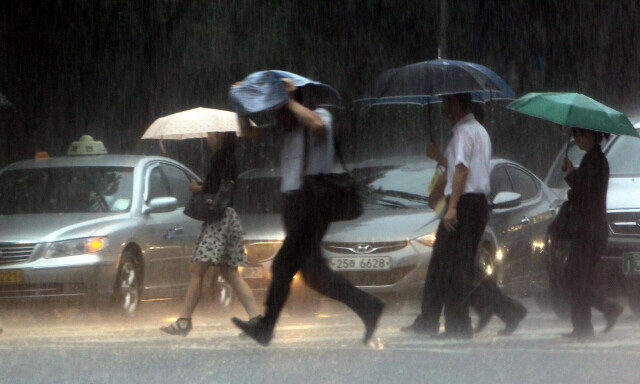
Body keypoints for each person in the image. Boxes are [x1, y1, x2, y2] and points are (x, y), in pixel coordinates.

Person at [231, 78, 384, 346]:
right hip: (293, 206)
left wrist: (287, 98)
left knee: (282, 265)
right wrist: (240, 103)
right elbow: (247, 133)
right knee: (315, 276)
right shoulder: (284, 128)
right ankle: (368, 306)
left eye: (277, 108)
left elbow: (317, 125)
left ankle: (266, 327)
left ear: (295, 102)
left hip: (313, 204)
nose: (275, 115)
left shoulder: (318, 115)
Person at [401, 93, 525, 339]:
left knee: (452, 268)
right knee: (450, 266)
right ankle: (441, 319)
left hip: (465, 205)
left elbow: (461, 170)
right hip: (474, 204)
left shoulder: (463, 132)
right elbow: (457, 166)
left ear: (458, 103)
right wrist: (438, 158)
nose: (445, 109)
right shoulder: (476, 130)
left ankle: (460, 321)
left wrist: (453, 207)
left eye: (447, 103)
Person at [160, 131, 261, 337]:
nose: (207, 138)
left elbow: (215, 190)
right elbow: (223, 186)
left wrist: (197, 189)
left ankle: (184, 321)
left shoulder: (220, 157)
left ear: (219, 137)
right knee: (230, 273)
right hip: (230, 217)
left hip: (218, 221)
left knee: (197, 269)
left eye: (210, 135)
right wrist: (204, 185)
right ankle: (256, 319)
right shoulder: (230, 157)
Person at [561, 127, 623, 340]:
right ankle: (582, 327)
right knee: (579, 277)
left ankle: (608, 308)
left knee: (573, 277)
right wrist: (573, 174)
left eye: (578, 136)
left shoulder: (594, 160)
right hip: (592, 229)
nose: (576, 140)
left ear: (587, 136)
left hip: (589, 230)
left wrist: (571, 177)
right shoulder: (594, 159)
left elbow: (583, 194)